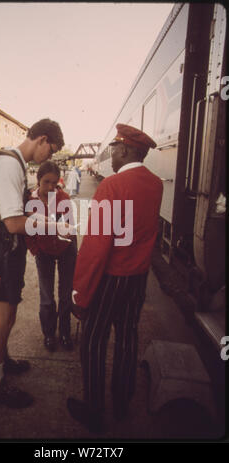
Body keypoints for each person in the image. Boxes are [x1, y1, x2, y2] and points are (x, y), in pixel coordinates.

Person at [67, 124, 163, 432]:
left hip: (111, 277)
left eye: (116, 149)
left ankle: (95, 409)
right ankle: (122, 402)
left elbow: (96, 246)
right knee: (127, 338)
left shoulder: (112, 186)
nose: (112, 156)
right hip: (138, 278)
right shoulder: (156, 184)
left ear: (126, 150)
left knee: (94, 340)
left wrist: (80, 291)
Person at [0, 118, 64, 408]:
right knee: (1, 317)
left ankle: (1, 361)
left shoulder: (17, 163)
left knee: (11, 313)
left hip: (10, 250)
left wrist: (46, 221)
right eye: (51, 150)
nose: (50, 157)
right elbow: (15, 222)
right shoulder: (8, 166)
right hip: (2, 249)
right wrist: (49, 226)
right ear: (41, 139)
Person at [25, 161, 77, 352]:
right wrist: (35, 250)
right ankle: (49, 334)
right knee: (46, 296)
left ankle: (64, 332)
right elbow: (27, 230)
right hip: (44, 251)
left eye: (54, 183)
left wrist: (71, 243)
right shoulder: (31, 201)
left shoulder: (63, 197)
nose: (50, 187)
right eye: (46, 182)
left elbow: (70, 227)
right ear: (38, 179)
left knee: (65, 294)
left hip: (65, 250)